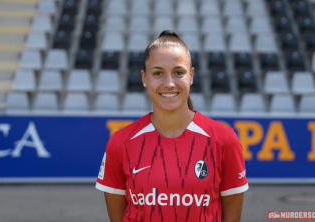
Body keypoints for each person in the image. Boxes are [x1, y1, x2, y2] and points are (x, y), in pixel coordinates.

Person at [95, 30, 248, 222]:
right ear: (144, 78)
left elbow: (232, 215)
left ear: (191, 76)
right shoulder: (120, 143)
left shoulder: (225, 140)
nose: (169, 83)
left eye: (178, 72)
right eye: (157, 73)